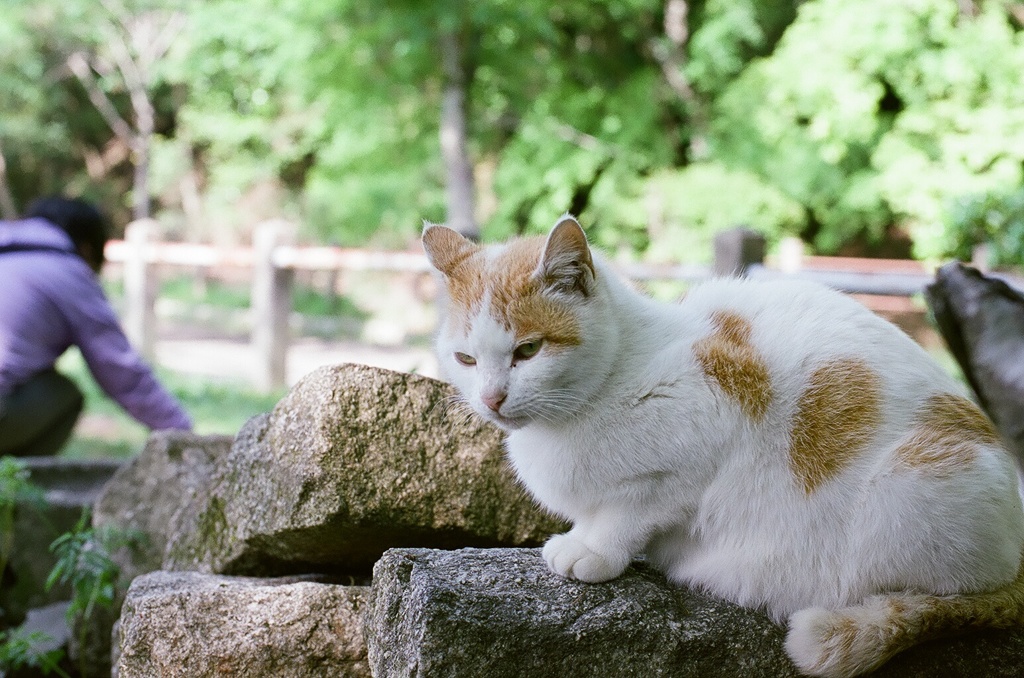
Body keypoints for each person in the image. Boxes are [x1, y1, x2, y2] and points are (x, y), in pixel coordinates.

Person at [0, 196, 192, 456]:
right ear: (88, 249)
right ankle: (18, 484)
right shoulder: (68, 272)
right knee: (64, 394)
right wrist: (185, 434)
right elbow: (122, 373)